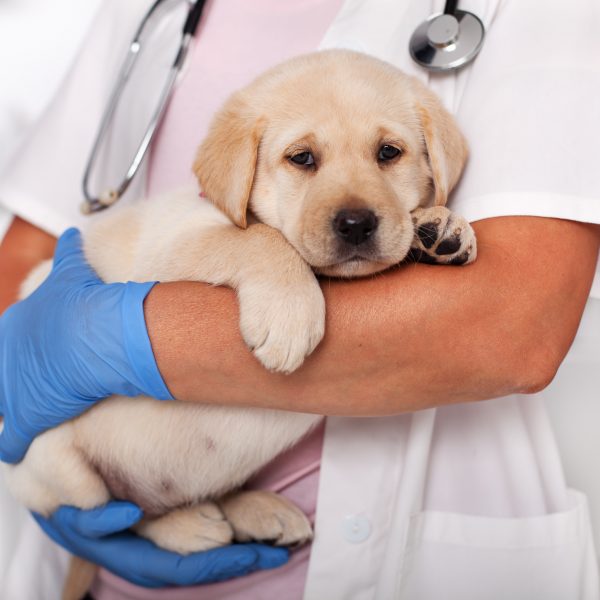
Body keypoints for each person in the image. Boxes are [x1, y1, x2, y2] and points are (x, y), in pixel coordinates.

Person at [1, 0, 600, 598]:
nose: (354, 208)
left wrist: (115, 337)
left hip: (416, 552)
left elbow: (517, 328)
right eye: (303, 159)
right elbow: (28, 255)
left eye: (388, 153)